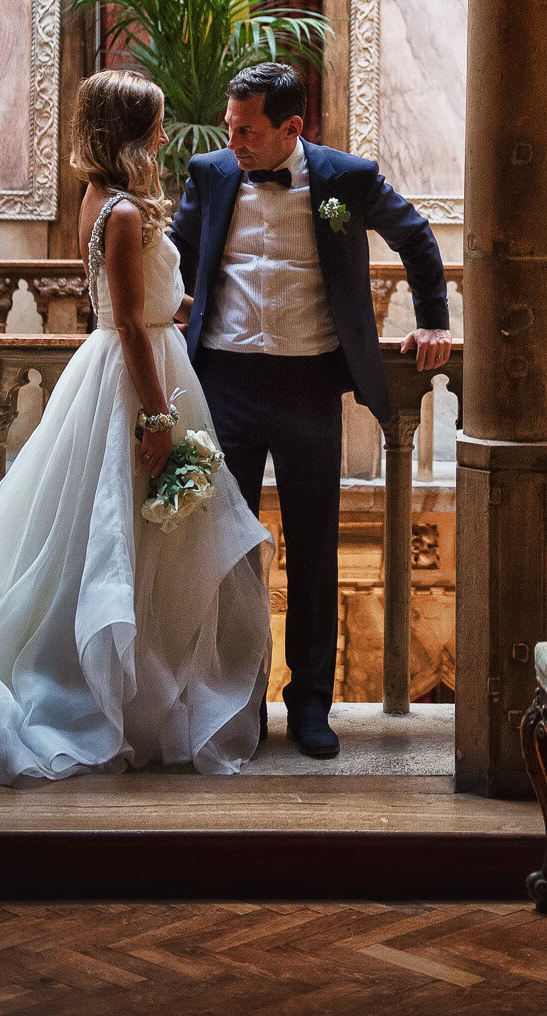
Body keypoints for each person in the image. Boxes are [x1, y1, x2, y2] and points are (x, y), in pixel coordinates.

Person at [0, 71, 274, 783]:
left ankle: (137, 690)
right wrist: (158, 418)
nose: (165, 135)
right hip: (137, 378)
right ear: (130, 133)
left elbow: (132, 299)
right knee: (128, 540)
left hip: (115, 367)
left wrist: (187, 303)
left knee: (129, 542)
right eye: (156, 124)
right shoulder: (124, 211)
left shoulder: (98, 198)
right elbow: (128, 321)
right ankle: (120, 696)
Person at [172, 62, 451, 759]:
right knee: (227, 551)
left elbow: (416, 237)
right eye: (231, 128)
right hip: (224, 385)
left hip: (309, 387)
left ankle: (310, 708)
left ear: (292, 129)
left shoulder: (345, 179)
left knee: (316, 551)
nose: (234, 140)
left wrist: (435, 322)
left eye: (249, 130)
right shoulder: (209, 174)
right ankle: (231, 701)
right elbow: (172, 258)